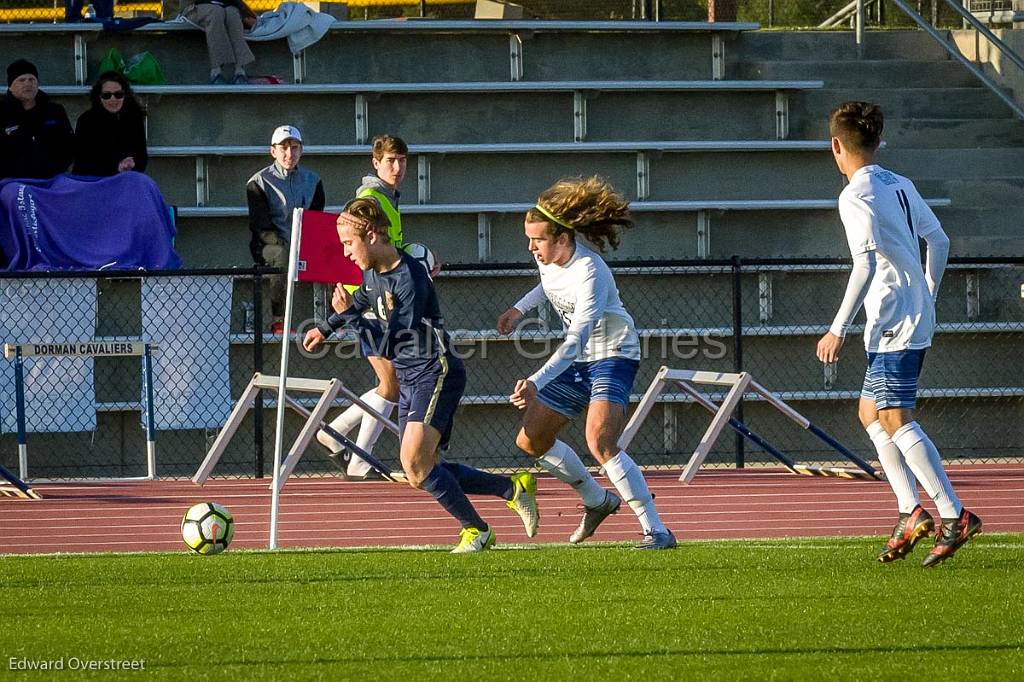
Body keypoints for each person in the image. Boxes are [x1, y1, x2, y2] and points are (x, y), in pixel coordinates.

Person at [303, 197, 539, 552]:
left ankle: (478, 530)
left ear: (370, 235)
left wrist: (349, 317)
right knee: (422, 469)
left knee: (414, 463)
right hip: (412, 377)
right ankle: (511, 489)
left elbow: (388, 343)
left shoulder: (410, 277)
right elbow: (365, 302)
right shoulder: (373, 275)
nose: (346, 254)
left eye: (348, 244)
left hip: (436, 370)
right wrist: (325, 327)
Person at [815, 101, 981, 568]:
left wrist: (836, 329)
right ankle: (910, 511)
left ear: (836, 146)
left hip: (893, 321)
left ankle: (953, 513)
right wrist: (927, 291)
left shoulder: (855, 195)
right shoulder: (899, 183)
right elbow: (940, 240)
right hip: (910, 314)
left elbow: (865, 263)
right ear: (877, 141)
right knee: (870, 411)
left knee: (895, 416)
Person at [497, 176, 677, 550]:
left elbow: (575, 338)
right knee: (531, 440)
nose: (530, 248)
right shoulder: (550, 260)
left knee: (600, 440)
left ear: (563, 239)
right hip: (579, 360)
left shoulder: (590, 271)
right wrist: (520, 308)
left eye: (538, 240)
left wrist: (535, 380)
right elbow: (547, 285)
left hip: (612, 354)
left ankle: (656, 530)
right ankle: (597, 501)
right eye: (529, 239)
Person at [315, 135, 419, 481]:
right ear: (375, 163)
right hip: (367, 299)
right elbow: (350, 243)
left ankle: (333, 435)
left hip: (378, 298)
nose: (398, 167)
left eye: (402, 160)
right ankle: (355, 455)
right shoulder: (369, 198)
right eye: (390, 160)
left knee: (391, 383)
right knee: (391, 383)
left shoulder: (389, 198)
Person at [246, 124, 325, 334]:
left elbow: (316, 219)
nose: (289, 153)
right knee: (281, 254)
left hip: (303, 242)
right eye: (283, 147)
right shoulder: (258, 182)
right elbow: (261, 227)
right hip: (268, 246)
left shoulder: (314, 180)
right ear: (273, 151)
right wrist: (290, 247)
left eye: (294, 147)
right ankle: (279, 319)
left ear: (301, 149)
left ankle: (341, 317)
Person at [0, 59, 73, 181]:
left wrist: (56, 170)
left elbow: (69, 145)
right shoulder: (2, 113)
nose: (28, 84)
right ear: (10, 86)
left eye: (32, 79)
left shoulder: (54, 111)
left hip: (52, 180)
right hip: (11, 183)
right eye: (21, 80)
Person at [72, 71, 148, 177]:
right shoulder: (87, 121)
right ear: (99, 97)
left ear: (125, 95)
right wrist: (116, 166)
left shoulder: (134, 118)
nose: (113, 99)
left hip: (127, 179)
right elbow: (82, 161)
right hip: (95, 181)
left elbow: (142, 156)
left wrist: (132, 163)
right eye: (107, 95)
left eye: (118, 94)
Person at [183, 0, 257, 84]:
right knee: (216, 12)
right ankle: (216, 72)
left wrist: (244, 13)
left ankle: (240, 71)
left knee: (232, 13)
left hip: (224, 6)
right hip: (195, 6)